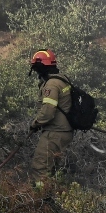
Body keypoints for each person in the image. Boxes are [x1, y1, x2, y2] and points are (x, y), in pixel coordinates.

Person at [27, 49, 73, 186]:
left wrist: (35, 124)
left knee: (40, 167)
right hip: (63, 131)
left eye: (36, 68)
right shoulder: (62, 79)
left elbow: (48, 112)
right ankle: (53, 196)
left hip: (55, 132)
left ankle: (40, 199)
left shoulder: (52, 85)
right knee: (53, 168)